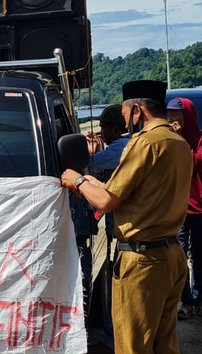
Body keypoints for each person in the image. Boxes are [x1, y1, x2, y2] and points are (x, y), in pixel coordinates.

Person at [61, 80, 191, 354]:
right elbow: (120, 191)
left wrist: (78, 180)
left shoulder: (143, 144)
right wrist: (86, 182)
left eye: (124, 115)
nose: (124, 122)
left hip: (142, 262)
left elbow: (107, 201)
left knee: (133, 345)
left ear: (137, 111)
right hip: (172, 256)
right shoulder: (177, 142)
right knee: (164, 343)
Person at [167, 97, 202, 319]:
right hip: (177, 205)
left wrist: (180, 140)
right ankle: (183, 301)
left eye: (176, 113)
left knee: (198, 254)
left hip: (201, 206)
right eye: (169, 113)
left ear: (187, 114)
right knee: (179, 255)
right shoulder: (167, 139)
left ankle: (198, 300)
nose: (172, 118)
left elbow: (198, 164)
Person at [85, 104, 129, 354]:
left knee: (119, 288)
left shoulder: (122, 148)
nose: (102, 133)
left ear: (114, 129)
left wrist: (90, 153)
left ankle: (114, 342)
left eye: (104, 128)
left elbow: (92, 164)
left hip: (122, 231)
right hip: (120, 229)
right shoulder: (125, 145)